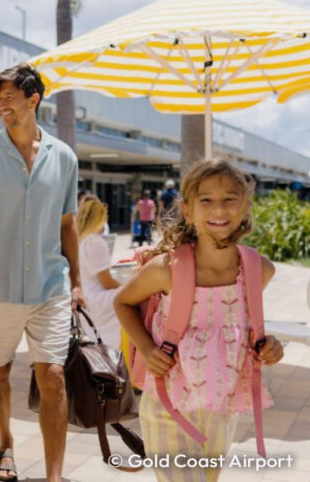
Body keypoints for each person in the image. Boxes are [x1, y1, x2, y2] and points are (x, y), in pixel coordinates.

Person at [114, 159, 284, 482]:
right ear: (188, 210)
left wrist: (267, 345)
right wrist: (148, 349)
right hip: (168, 404)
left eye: (229, 199)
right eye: (206, 200)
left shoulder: (258, 270)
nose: (219, 209)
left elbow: (239, 326)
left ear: (245, 207)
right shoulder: (166, 268)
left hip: (220, 407)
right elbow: (122, 301)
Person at [0, 63, 81, 482]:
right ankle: (5, 442)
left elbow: (67, 224)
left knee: (54, 375)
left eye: (9, 98)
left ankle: (54, 476)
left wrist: (77, 282)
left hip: (50, 284)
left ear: (33, 100)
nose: (1, 106)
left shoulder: (64, 158)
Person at [77, 196, 122, 350]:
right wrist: (127, 285)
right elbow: (107, 282)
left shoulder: (77, 241)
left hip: (84, 302)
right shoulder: (95, 242)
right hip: (98, 301)